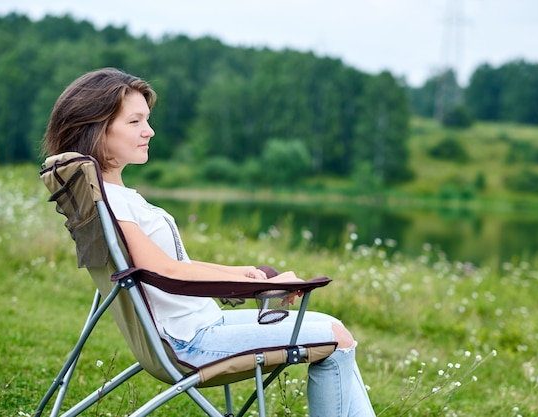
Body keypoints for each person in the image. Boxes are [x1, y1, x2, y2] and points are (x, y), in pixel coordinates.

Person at [43, 67, 376, 417]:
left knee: (330, 326)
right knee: (336, 338)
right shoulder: (113, 203)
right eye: (135, 121)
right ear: (97, 128)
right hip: (191, 343)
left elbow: (171, 268)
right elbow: (167, 271)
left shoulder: (110, 198)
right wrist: (259, 287)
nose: (149, 131)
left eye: (147, 120)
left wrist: (248, 277)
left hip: (195, 330)